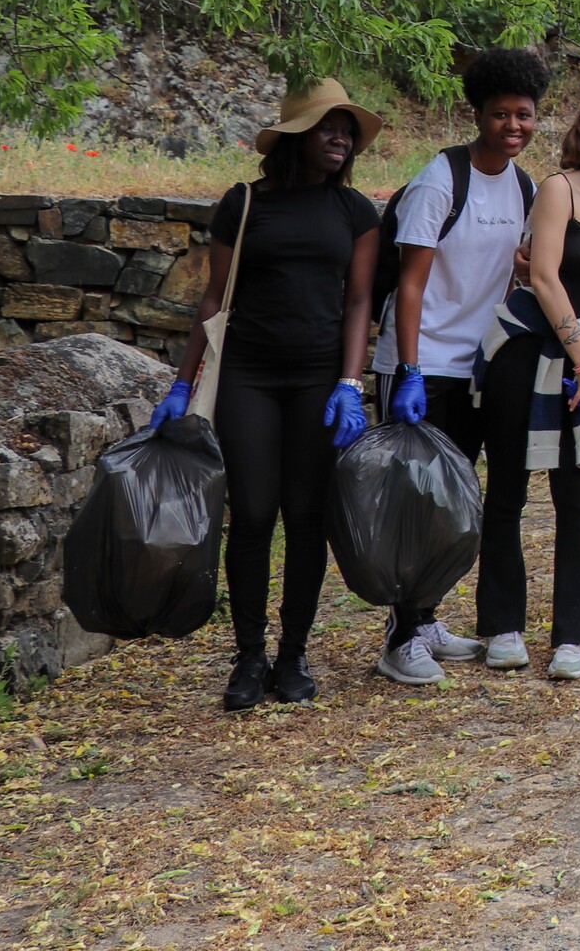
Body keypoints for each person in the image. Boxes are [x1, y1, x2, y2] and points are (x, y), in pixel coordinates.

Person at [151, 80, 382, 711]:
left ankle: (293, 655)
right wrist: (182, 380)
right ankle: (249, 655)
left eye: (348, 129)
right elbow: (213, 297)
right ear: (295, 136)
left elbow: (360, 300)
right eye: (328, 126)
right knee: (253, 515)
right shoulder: (245, 202)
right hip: (248, 374)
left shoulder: (355, 212)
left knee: (307, 519)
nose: (341, 137)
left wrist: (349, 382)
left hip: (318, 378)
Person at [370, 47, 546, 685]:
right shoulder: (441, 179)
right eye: (501, 115)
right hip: (423, 364)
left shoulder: (524, 185)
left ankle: (426, 615)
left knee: (456, 500)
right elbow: (410, 285)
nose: (513, 127)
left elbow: (514, 270)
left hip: (480, 365)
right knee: (416, 503)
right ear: (477, 114)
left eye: (524, 116)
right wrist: (410, 369)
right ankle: (401, 635)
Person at [466, 89, 580, 682]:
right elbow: (543, 276)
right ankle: (502, 625)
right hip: (526, 352)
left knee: (578, 495)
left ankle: (574, 634)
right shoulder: (558, 189)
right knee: (509, 490)